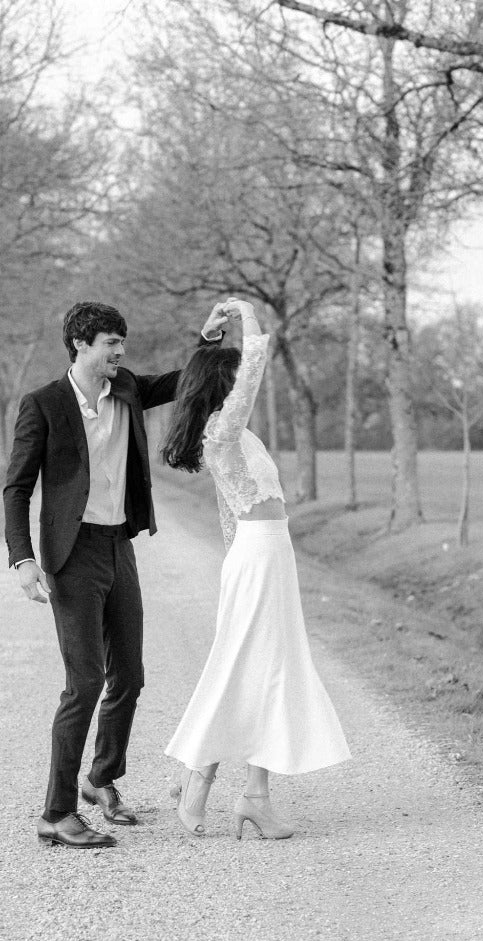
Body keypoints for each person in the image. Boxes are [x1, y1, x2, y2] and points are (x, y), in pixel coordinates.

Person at [4, 301, 225, 849]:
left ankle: (100, 779)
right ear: (80, 344)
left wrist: (208, 341)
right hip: (71, 554)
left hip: (118, 545)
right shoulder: (44, 404)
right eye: (110, 343)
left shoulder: (125, 387)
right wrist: (23, 558)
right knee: (84, 682)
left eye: (121, 342)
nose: (120, 352)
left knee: (128, 675)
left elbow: (181, 381)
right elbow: (17, 487)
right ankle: (56, 814)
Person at [161, 297, 351, 840]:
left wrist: (209, 338)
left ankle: (251, 793)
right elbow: (256, 364)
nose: (241, 384)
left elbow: (230, 514)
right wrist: (245, 312)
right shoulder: (222, 430)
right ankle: (203, 777)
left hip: (266, 556)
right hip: (259, 557)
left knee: (272, 669)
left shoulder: (234, 434)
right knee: (247, 668)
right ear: (223, 386)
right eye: (234, 378)